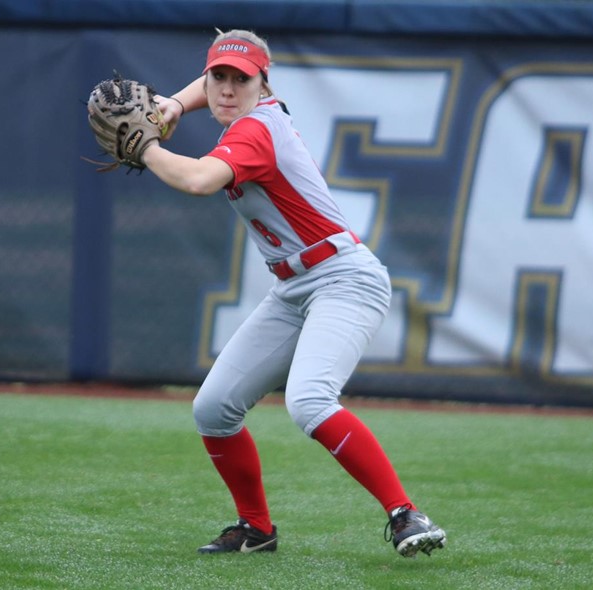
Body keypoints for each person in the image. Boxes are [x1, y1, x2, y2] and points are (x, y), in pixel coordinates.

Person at [139, 29, 446, 558]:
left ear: (264, 85)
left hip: (345, 279)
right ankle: (256, 529)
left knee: (308, 400)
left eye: (243, 79)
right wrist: (173, 103)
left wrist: (144, 146)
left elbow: (197, 181)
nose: (228, 89)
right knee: (213, 409)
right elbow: (217, 84)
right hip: (294, 286)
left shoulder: (256, 130)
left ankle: (404, 513)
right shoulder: (251, 105)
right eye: (220, 78)